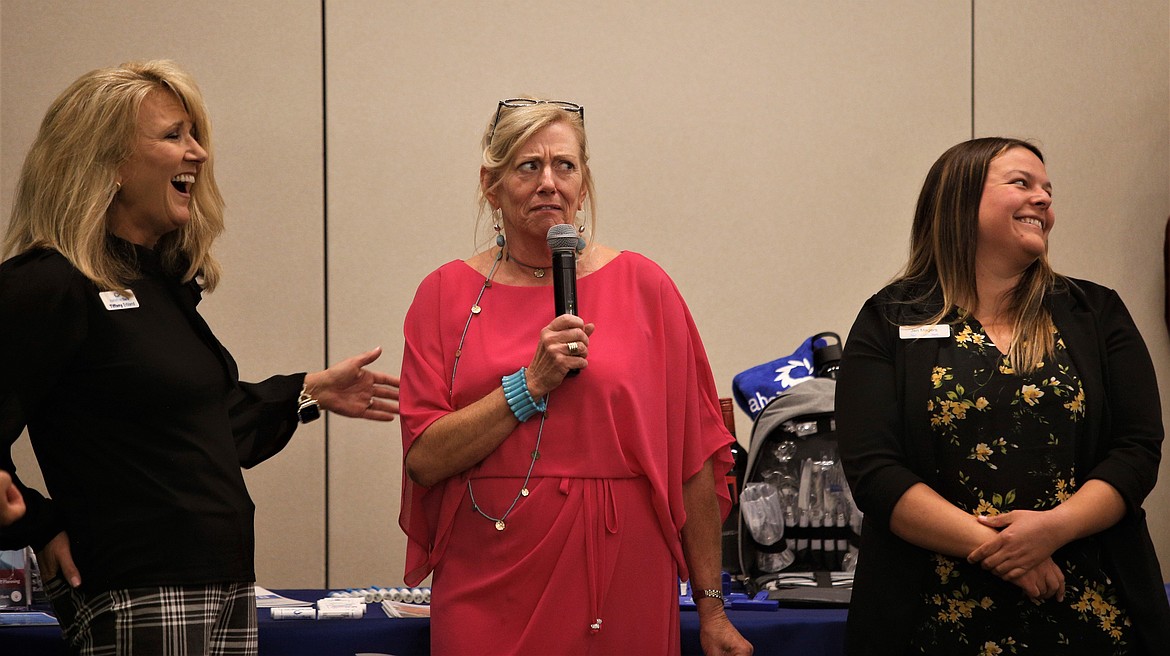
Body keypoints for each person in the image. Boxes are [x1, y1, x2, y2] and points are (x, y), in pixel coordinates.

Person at [0, 60, 400, 655]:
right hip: (138, 594)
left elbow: (209, 428)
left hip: (223, 586)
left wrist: (309, 390)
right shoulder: (49, 284)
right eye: (173, 135)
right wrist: (38, 522)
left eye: (195, 134)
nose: (199, 154)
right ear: (106, 160)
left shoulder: (159, 284)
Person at [398, 98, 752, 656]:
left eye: (565, 166)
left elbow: (695, 461)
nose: (549, 183)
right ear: (492, 187)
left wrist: (711, 607)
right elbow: (424, 459)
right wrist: (528, 385)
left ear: (583, 185)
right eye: (527, 166)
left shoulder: (646, 287)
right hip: (488, 573)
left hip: (623, 576)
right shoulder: (443, 295)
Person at [837, 137, 1170, 655]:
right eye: (1022, 183)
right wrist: (1007, 550)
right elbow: (874, 470)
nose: (1043, 200)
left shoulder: (1095, 312)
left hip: (1089, 606)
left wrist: (1052, 530)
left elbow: (1136, 450)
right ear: (960, 199)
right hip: (930, 615)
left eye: (1048, 190)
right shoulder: (892, 317)